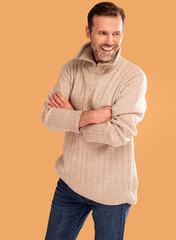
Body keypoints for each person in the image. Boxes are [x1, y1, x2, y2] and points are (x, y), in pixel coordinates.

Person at [41, 2, 147, 239]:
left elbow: (119, 133)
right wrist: (91, 116)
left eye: (116, 33)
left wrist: (72, 117)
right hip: (70, 183)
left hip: (112, 193)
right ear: (89, 32)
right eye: (102, 33)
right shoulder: (71, 69)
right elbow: (48, 117)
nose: (110, 41)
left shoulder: (133, 77)